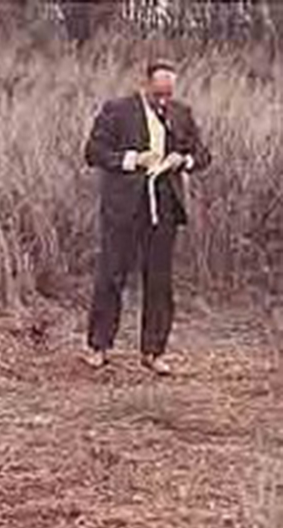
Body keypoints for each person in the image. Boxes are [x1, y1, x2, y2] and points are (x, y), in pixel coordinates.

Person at [83, 59, 211, 375]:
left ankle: (154, 352)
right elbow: (93, 152)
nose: (164, 101)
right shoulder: (117, 110)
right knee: (111, 275)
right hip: (124, 207)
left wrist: (184, 160)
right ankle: (99, 347)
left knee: (159, 281)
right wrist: (133, 159)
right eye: (158, 94)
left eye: (169, 94)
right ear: (145, 85)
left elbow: (203, 155)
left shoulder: (182, 113)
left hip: (165, 206)